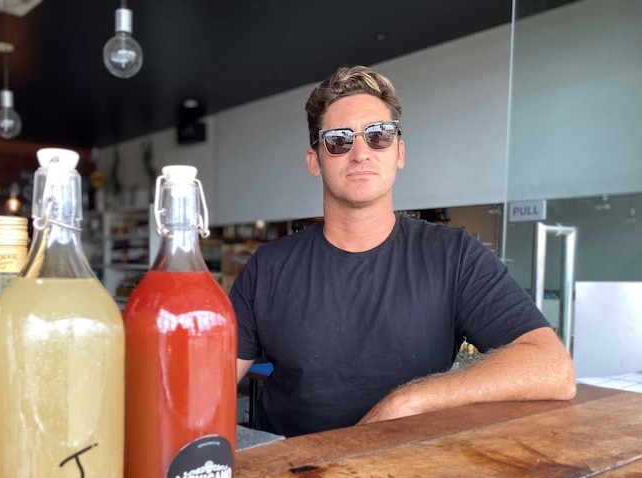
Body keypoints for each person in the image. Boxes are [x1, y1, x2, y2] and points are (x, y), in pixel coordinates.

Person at [229, 65, 575, 438]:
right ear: (315, 160)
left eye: (379, 135)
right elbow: (203, 385)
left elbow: (553, 367)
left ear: (399, 152)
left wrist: (412, 400)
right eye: (339, 140)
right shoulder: (269, 267)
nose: (360, 153)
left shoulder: (453, 255)